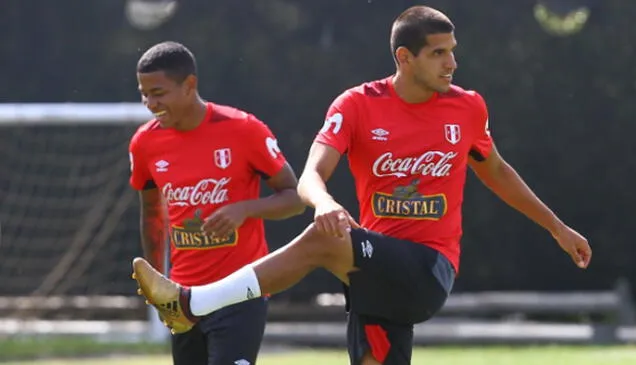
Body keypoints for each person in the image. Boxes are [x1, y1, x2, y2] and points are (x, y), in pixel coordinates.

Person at [132, 7, 592, 365]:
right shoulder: (356, 105)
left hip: (429, 269)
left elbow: (497, 171)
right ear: (404, 58)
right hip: (372, 273)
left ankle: (193, 303)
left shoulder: (467, 108)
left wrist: (557, 228)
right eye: (438, 53)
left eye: (453, 50)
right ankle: (191, 302)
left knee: (324, 239)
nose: (452, 63)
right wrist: (326, 202)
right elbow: (310, 177)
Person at [128, 41, 304, 365]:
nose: (150, 103)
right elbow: (152, 212)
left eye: (158, 93)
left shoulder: (243, 130)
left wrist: (245, 208)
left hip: (241, 292)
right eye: (144, 93)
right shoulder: (145, 143)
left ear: (189, 85)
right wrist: (156, 281)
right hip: (183, 298)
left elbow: (295, 198)